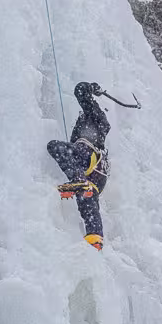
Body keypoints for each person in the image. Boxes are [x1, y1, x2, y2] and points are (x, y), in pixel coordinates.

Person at [47, 81, 110, 250]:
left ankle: (80, 180)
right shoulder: (97, 124)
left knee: (55, 146)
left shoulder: (96, 116)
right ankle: (95, 238)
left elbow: (80, 90)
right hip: (98, 174)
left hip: (88, 156)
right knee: (87, 197)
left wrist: (91, 88)